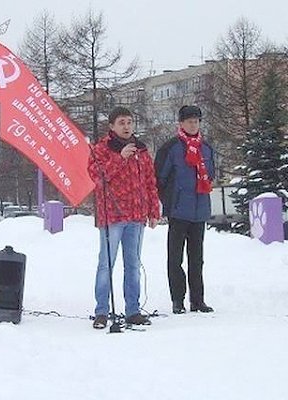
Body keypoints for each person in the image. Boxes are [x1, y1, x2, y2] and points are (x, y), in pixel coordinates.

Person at [88, 107, 160, 329]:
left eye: (129, 122)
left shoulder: (141, 150)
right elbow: (97, 176)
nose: (127, 126)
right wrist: (119, 158)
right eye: (122, 122)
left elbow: (150, 181)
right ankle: (102, 310)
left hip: (136, 216)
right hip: (113, 215)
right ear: (112, 126)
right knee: (106, 264)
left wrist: (153, 209)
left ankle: (133, 310)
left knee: (133, 265)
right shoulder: (100, 149)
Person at [155, 105, 215, 314]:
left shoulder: (206, 148)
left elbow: (211, 175)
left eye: (196, 121)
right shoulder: (170, 148)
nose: (193, 124)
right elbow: (160, 178)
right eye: (189, 121)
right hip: (178, 211)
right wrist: (169, 202)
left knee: (197, 258)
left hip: (199, 211)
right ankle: (178, 300)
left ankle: (197, 300)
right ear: (180, 124)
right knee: (175, 258)